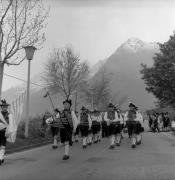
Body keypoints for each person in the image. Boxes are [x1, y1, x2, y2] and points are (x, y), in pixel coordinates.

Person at [0, 100, 14, 165]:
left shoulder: (9, 115)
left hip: (5, 132)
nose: (4, 108)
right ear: (1, 107)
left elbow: (11, 124)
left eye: (5, 107)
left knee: (2, 145)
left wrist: (10, 132)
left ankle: (0, 158)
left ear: (7, 107)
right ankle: (1, 158)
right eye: (3, 107)